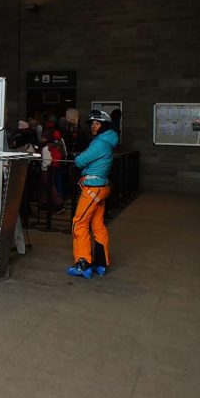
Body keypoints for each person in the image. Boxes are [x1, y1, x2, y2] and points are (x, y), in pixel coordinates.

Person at [67, 109, 118, 279]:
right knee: (97, 225)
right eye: (92, 123)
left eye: (97, 123)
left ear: (104, 126)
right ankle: (101, 263)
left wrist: (79, 158)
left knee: (79, 223)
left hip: (92, 188)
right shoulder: (108, 141)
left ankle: (83, 263)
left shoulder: (99, 143)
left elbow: (80, 161)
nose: (94, 127)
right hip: (102, 187)